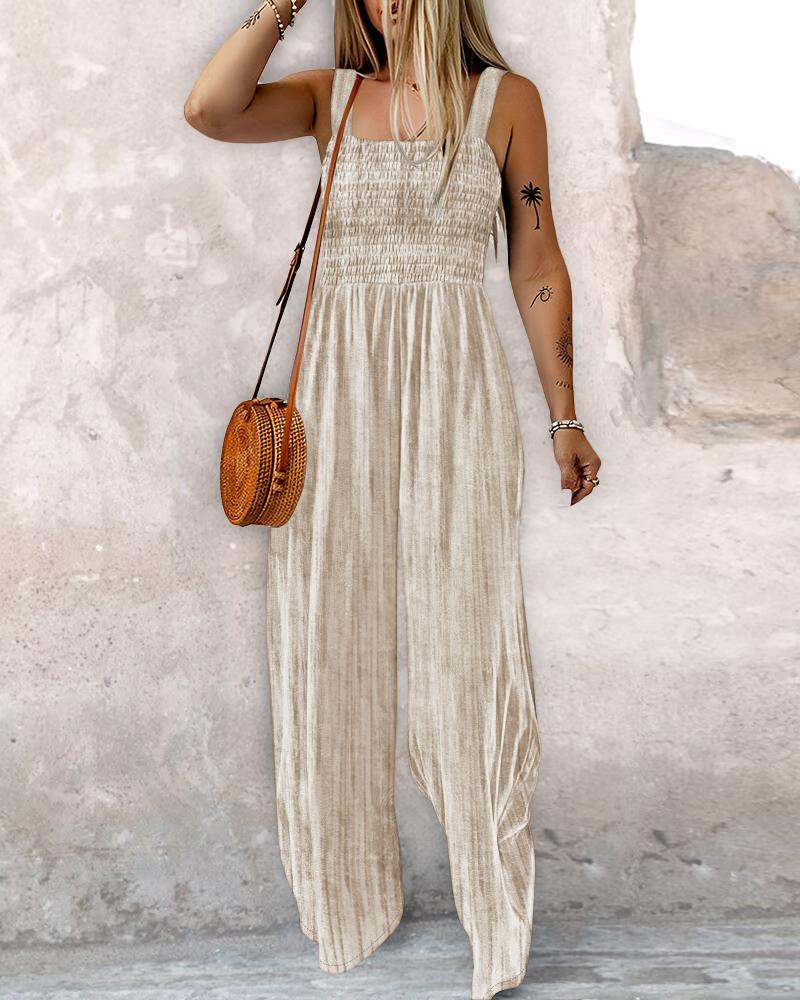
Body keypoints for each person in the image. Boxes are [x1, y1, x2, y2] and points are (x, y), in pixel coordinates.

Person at [185, 0, 601, 996]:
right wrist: (282, 5)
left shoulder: (506, 101)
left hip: (455, 381)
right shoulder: (328, 96)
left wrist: (565, 415)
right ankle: (351, 900)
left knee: (471, 633)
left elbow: (536, 259)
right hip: (337, 390)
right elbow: (209, 109)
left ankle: (495, 919)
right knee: (330, 628)